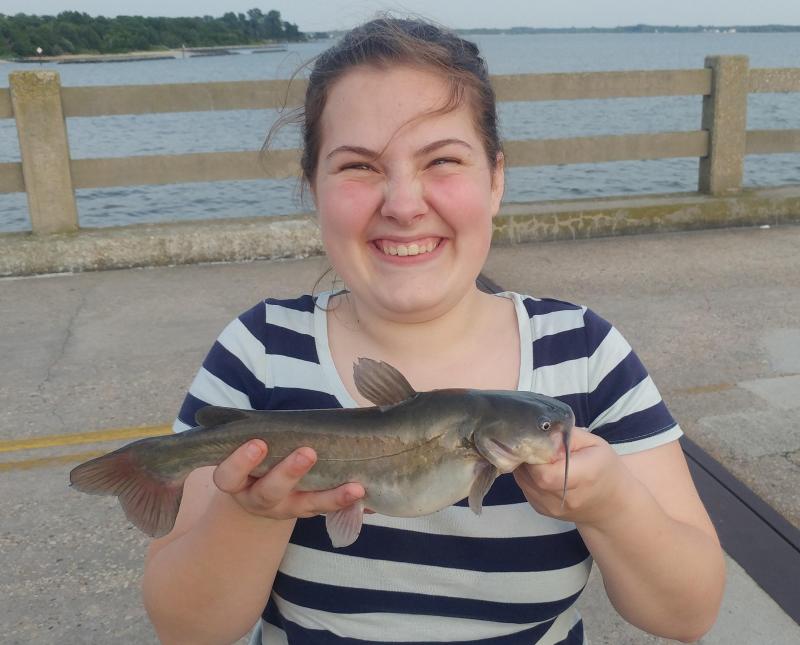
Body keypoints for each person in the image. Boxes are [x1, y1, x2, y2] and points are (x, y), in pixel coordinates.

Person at [142, 17, 725, 645]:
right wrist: (250, 515)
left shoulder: (585, 356)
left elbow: (685, 616)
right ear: (312, 186)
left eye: (442, 160)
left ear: (496, 178)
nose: (403, 202)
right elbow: (187, 630)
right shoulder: (258, 353)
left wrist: (614, 506)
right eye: (360, 166)